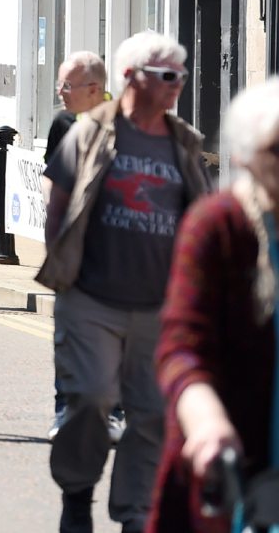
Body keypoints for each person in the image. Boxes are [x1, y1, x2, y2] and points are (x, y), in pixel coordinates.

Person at [38, 30, 211, 533]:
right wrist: (66, 270)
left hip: (159, 308)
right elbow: (57, 206)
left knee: (153, 415)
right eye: (167, 76)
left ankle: (135, 513)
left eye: (180, 75)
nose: (178, 84)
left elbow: (197, 218)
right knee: (90, 400)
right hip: (92, 299)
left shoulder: (183, 143)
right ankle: (77, 490)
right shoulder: (90, 132)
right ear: (133, 78)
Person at [149, 77, 278, 533]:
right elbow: (182, 348)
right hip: (234, 463)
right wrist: (207, 424)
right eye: (276, 151)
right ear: (244, 156)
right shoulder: (217, 225)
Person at [43, 50, 113, 441]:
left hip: (113, 250)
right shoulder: (62, 121)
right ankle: (64, 410)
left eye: (66, 86)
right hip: (73, 247)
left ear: (94, 88)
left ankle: (113, 413)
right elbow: (51, 178)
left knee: (115, 335)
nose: (60, 92)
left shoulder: (122, 122)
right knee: (68, 333)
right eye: (59, 83)